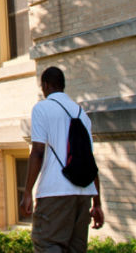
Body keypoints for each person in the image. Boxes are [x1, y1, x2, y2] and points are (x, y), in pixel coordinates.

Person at [20, 67, 105, 253]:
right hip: (84, 195)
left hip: (54, 194)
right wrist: (97, 203)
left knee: (47, 245)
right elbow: (90, 161)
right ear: (63, 86)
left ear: (45, 85)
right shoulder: (81, 113)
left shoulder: (42, 108)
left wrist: (27, 191)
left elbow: (38, 152)